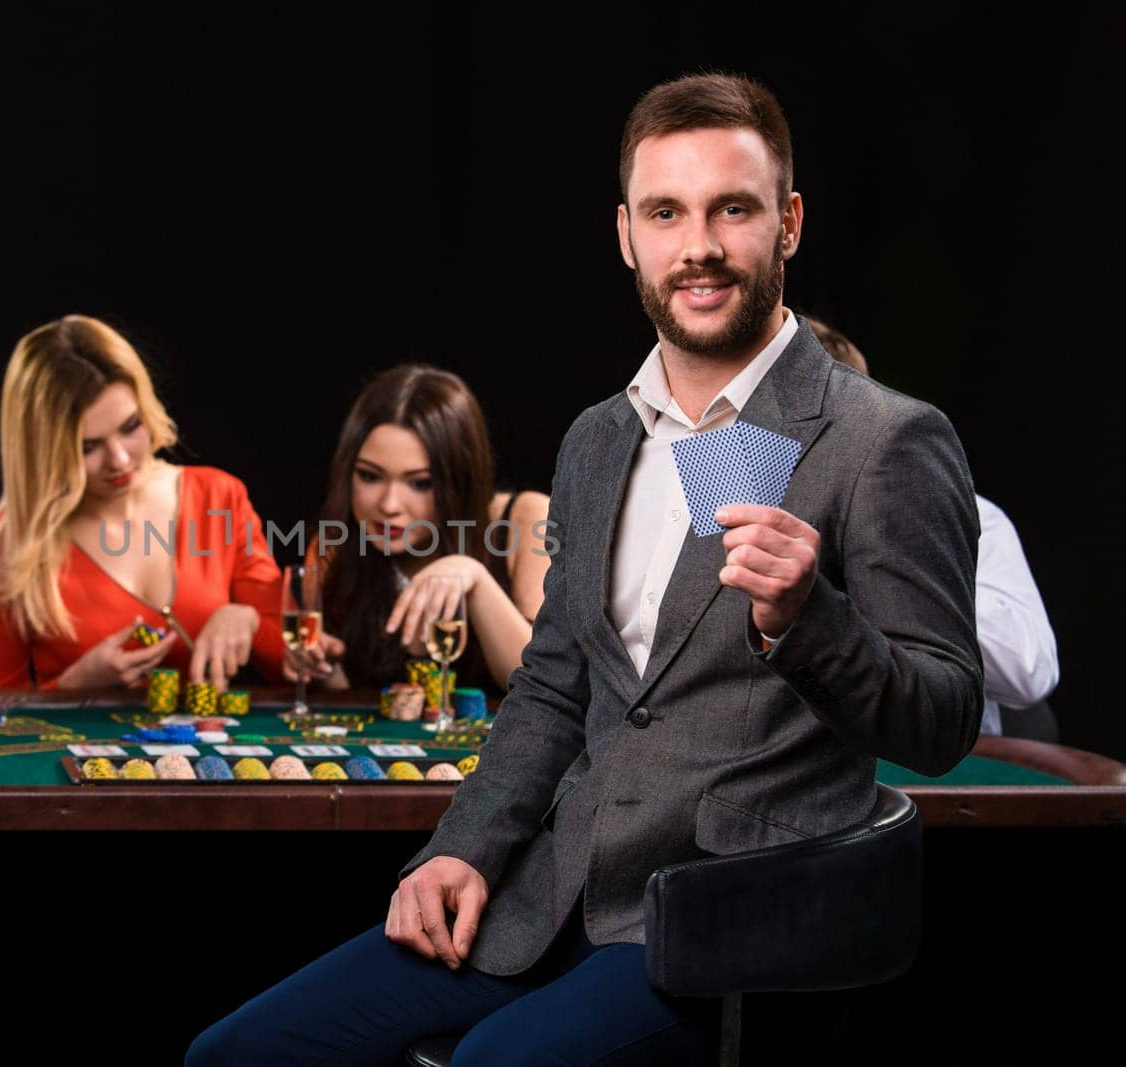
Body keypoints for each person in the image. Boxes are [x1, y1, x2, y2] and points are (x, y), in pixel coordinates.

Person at [187, 71, 983, 1065]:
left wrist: (805, 618)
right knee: (236, 1052)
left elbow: (943, 717)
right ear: (625, 234)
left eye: (730, 209)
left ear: (786, 223)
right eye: (666, 212)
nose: (696, 246)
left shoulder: (886, 439)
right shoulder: (599, 439)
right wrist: (462, 847)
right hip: (546, 892)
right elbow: (555, 686)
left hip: (721, 922)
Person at [0, 315, 287, 690]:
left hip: (203, 747)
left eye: (130, 427)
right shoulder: (6, 544)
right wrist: (76, 685)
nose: (119, 460)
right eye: (86, 447)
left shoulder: (218, 496)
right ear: (42, 452)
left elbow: (294, 663)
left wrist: (247, 617)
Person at [804, 315, 1059, 737]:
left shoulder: (968, 516)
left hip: (937, 776)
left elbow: (1027, 674)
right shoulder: (693, 512)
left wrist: (900, 548)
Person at [299, 364, 550, 693]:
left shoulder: (526, 518)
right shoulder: (334, 544)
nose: (389, 504)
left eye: (419, 483)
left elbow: (544, 688)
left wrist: (474, 578)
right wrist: (321, 667)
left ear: (460, 478)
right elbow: (348, 699)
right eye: (370, 476)